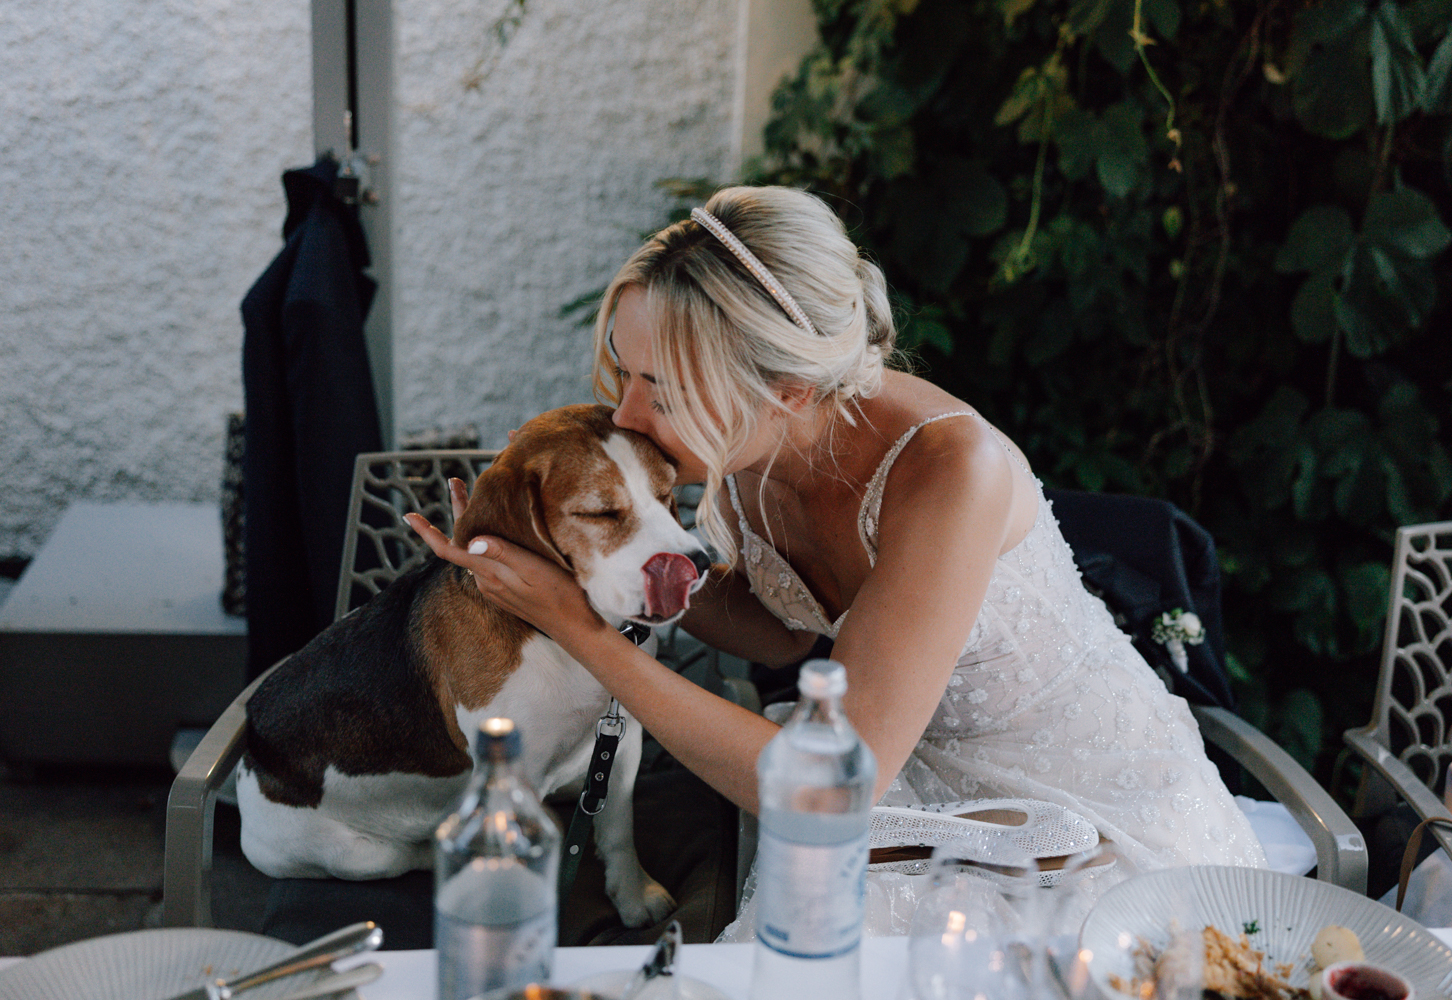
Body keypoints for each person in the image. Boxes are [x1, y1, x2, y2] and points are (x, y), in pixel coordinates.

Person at [406, 185, 1266, 936]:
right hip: (909, 778)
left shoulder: (951, 473)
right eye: (626, 374)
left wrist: (577, 626)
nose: (626, 416)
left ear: (787, 388)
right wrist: (595, 554)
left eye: (660, 390)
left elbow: (833, 789)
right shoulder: (748, 445)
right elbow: (782, 636)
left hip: (1086, 822)